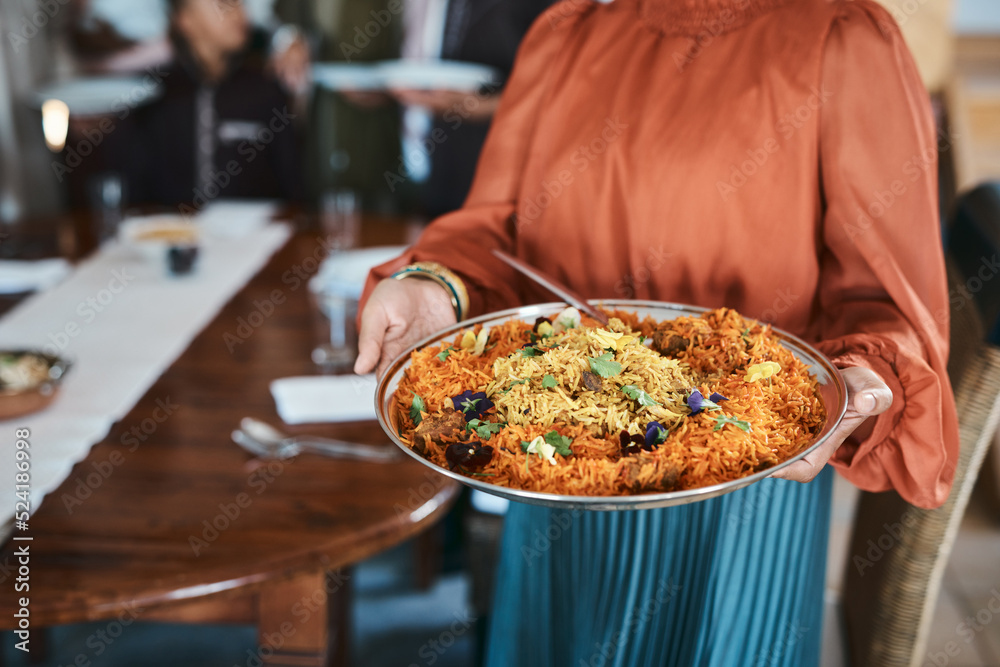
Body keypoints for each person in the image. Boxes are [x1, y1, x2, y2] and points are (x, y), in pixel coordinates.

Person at [354, 0, 960, 664]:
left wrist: (863, 377)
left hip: (744, 488)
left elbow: (884, 301)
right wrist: (436, 283)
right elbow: (496, 230)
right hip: (559, 471)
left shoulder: (843, 38)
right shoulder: (566, 34)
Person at [107, 0, 302, 209]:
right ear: (184, 20)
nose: (238, 11)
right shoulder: (150, 96)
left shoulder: (266, 90)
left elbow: (294, 188)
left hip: (258, 235)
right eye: (223, 3)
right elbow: (131, 192)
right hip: (167, 234)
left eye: (240, 3)